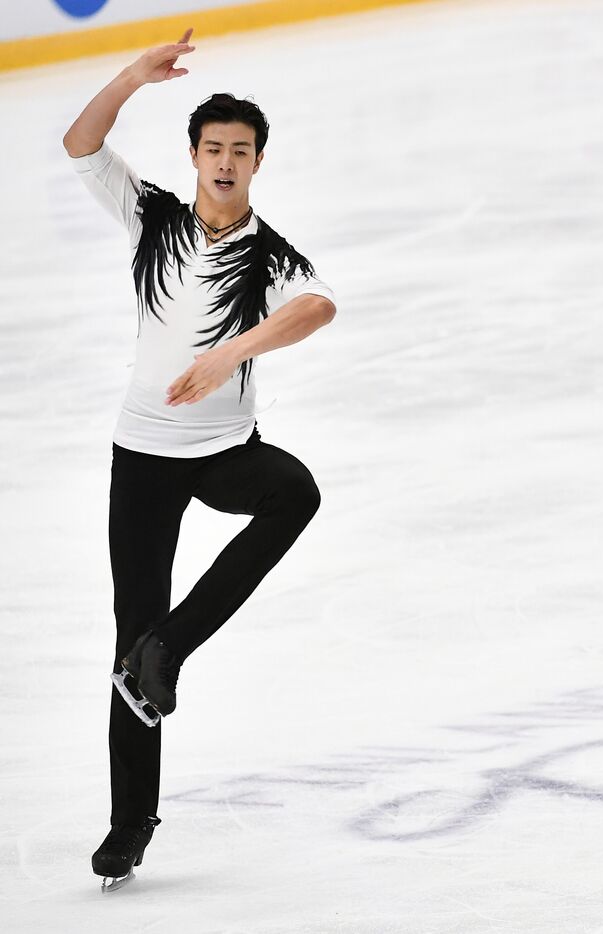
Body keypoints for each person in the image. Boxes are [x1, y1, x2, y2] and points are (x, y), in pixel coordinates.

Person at [62, 29, 337, 891]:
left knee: (294, 492)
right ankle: (128, 823)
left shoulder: (270, 255)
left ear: (257, 165)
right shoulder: (151, 217)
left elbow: (319, 306)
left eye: (241, 151)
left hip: (222, 451)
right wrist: (133, 77)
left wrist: (230, 354)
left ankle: (174, 648)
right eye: (214, 147)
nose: (226, 161)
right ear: (193, 156)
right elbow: (79, 143)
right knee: (127, 633)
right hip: (141, 455)